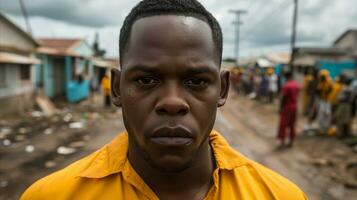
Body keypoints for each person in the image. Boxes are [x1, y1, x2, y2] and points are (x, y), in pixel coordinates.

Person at [21, 0, 307, 199]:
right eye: (146, 80)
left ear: (222, 89)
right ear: (117, 88)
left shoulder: (281, 195)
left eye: (196, 81)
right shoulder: (50, 196)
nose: (172, 102)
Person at [277, 71, 300, 148]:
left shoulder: (286, 86)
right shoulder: (296, 85)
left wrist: (280, 108)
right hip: (295, 107)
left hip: (287, 107)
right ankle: (291, 141)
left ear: (286, 77)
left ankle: (282, 142)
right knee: (292, 125)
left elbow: (284, 98)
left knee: (283, 125)